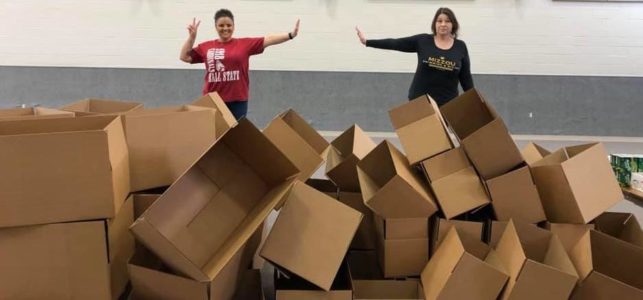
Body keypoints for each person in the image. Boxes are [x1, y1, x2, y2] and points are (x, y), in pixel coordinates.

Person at [180, 9, 300, 120]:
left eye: (229, 25)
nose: (225, 28)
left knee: (237, 135)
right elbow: (184, 57)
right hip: (213, 101)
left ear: (234, 26)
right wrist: (192, 38)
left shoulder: (244, 44)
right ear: (216, 27)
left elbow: (268, 39)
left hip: (238, 101)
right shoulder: (206, 47)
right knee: (214, 135)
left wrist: (290, 35)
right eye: (221, 25)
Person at [356, 7, 473, 106]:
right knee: (420, 133)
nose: (443, 24)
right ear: (434, 24)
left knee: (439, 134)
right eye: (439, 21)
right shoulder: (423, 41)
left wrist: (475, 101)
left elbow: (466, 79)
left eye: (447, 21)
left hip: (447, 104)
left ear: (453, 24)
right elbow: (395, 43)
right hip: (420, 102)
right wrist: (367, 42)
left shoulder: (460, 46)